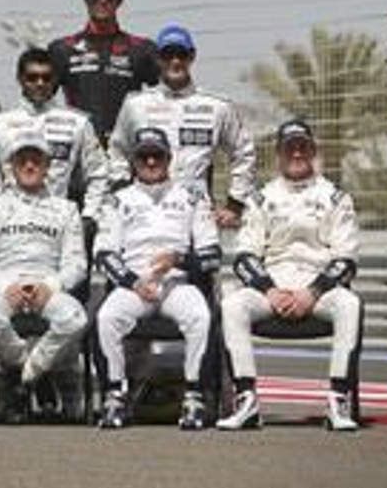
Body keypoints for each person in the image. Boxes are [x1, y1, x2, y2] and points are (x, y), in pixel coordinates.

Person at [218, 119, 362, 432]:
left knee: (350, 304)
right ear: (279, 154)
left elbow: (346, 260)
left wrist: (312, 292)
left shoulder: (336, 197)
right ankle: (246, 400)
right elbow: (244, 258)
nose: (297, 153)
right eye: (289, 147)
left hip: (318, 289)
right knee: (232, 305)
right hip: (273, 288)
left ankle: (338, 399)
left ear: (313, 151)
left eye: (303, 147)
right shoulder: (260, 198)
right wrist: (269, 290)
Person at [93, 127, 222, 431]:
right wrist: (133, 282)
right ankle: (115, 395)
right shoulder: (117, 200)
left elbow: (212, 254)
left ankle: (194, 396)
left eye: (157, 156)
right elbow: (103, 253)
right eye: (143, 156)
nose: (151, 162)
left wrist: (179, 259)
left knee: (200, 315)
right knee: (107, 316)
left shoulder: (192, 197)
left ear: (169, 158)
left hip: (177, 283)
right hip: (134, 284)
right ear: (133, 161)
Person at [0, 131, 88, 424]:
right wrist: (4, 285)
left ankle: (24, 375)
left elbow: (77, 263)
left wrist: (51, 286)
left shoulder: (66, 208)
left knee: (76, 319)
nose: (30, 165)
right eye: (22, 159)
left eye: (37, 159)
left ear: (48, 166)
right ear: (10, 165)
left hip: (48, 285)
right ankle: (35, 369)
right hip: (4, 285)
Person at [107, 24, 255, 227]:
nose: (175, 61)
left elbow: (243, 153)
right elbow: (117, 151)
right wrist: (122, 192)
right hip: (144, 213)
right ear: (158, 59)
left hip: (197, 215)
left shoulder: (217, 106)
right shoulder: (135, 104)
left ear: (192, 56)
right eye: (168, 55)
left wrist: (235, 204)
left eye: (181, 54)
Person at [0, 46, 107, 223]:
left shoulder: (78, 122)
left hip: (58, 222)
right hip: (10, 223)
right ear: (20, 79)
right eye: (32, 77)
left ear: (55, 79)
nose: (40, 83)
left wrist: (90, 216)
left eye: (46, 77)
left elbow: (99, 173)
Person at [47, 0, 158, 145]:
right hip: (80, 147)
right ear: (86, 0)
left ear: (119, 1)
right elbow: (39, 100)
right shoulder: (62, 49)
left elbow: (169, 96)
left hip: (125, 149)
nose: (103, 0)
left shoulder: (141, 48)